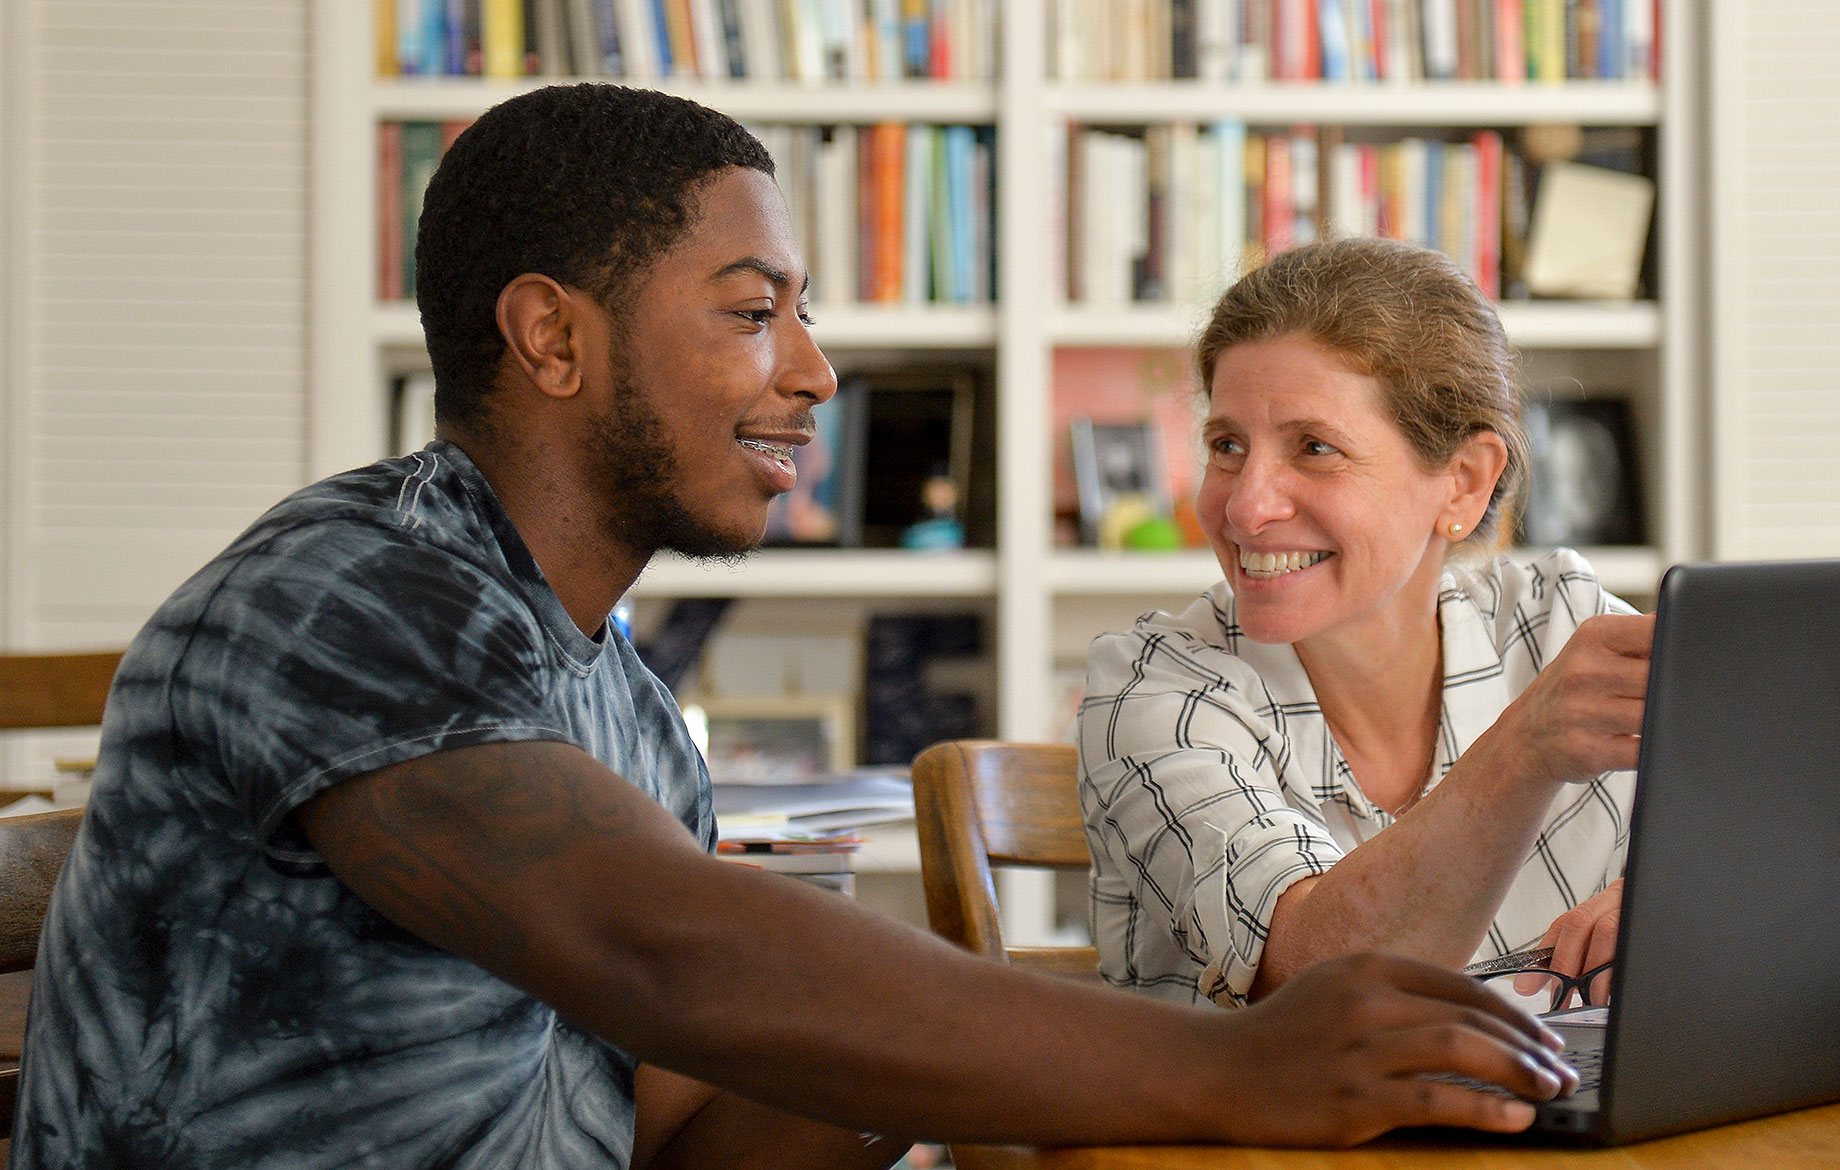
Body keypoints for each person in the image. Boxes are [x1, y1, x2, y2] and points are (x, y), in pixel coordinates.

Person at [10, 87, 1577, 1168]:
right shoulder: (340, 594)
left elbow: (680, 1108)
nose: (816, 370)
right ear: (552, 335)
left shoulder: (610, 696)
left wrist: (920, 1055)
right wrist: (1239, 1063)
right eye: (754, 311)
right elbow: (664, 947)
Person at [1079, 237, 1653, 1011]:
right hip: (1254, 1134)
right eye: (1227, 446)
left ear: (1464, 483)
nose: (1245, 507)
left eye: (1314, 448)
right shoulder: (1155, 689)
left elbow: (1800, 847)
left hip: (1550, 1128)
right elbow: (1317, 983)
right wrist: (1524, 750)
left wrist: (1689, 901)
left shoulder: (1560, 626)